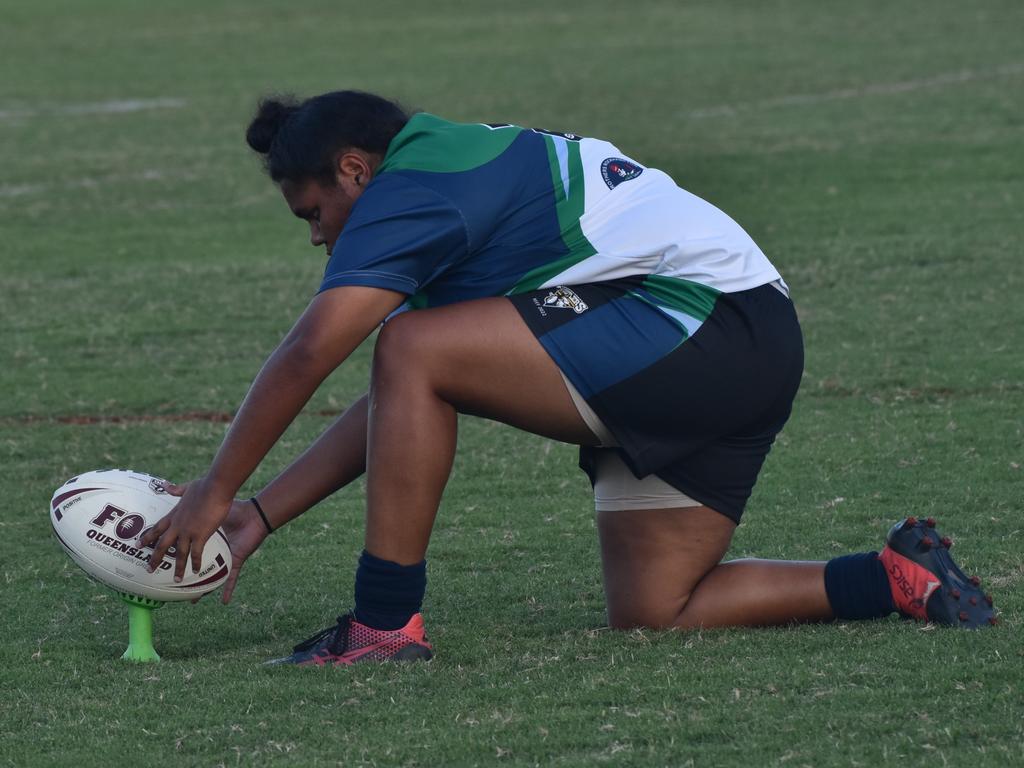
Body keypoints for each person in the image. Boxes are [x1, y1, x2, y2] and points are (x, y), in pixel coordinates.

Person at [141, 90, 996, 666]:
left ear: (356, 170)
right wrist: (258, 515)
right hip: (739, 341)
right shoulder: (451, 168)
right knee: (658, 609)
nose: (321, 237)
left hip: (695, 322)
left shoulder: (415, 186)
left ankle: (383, 625)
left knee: (410, 347)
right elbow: (398, 403)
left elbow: (312, 352)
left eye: (315, 213)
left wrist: (214, 491)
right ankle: (892, 577)